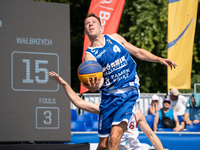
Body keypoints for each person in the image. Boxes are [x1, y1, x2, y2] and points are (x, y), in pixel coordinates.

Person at [83, 13, 176, 150]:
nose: (90, 24)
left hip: (128, 93)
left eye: (93, 22)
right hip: (109, 98)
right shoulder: (89, 56)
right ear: (85, 31)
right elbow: (97, 84)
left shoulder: (114, 38)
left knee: (114, 138)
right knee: (103, 145)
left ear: (101, 27)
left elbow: (138, 52)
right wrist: (93, 86)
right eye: (87, 23)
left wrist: (159, 59)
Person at [49, 71, 164, 150]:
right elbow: (79, 102)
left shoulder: (136, 112)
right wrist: (64, 84)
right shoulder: (107, 108)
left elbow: (151, 135)